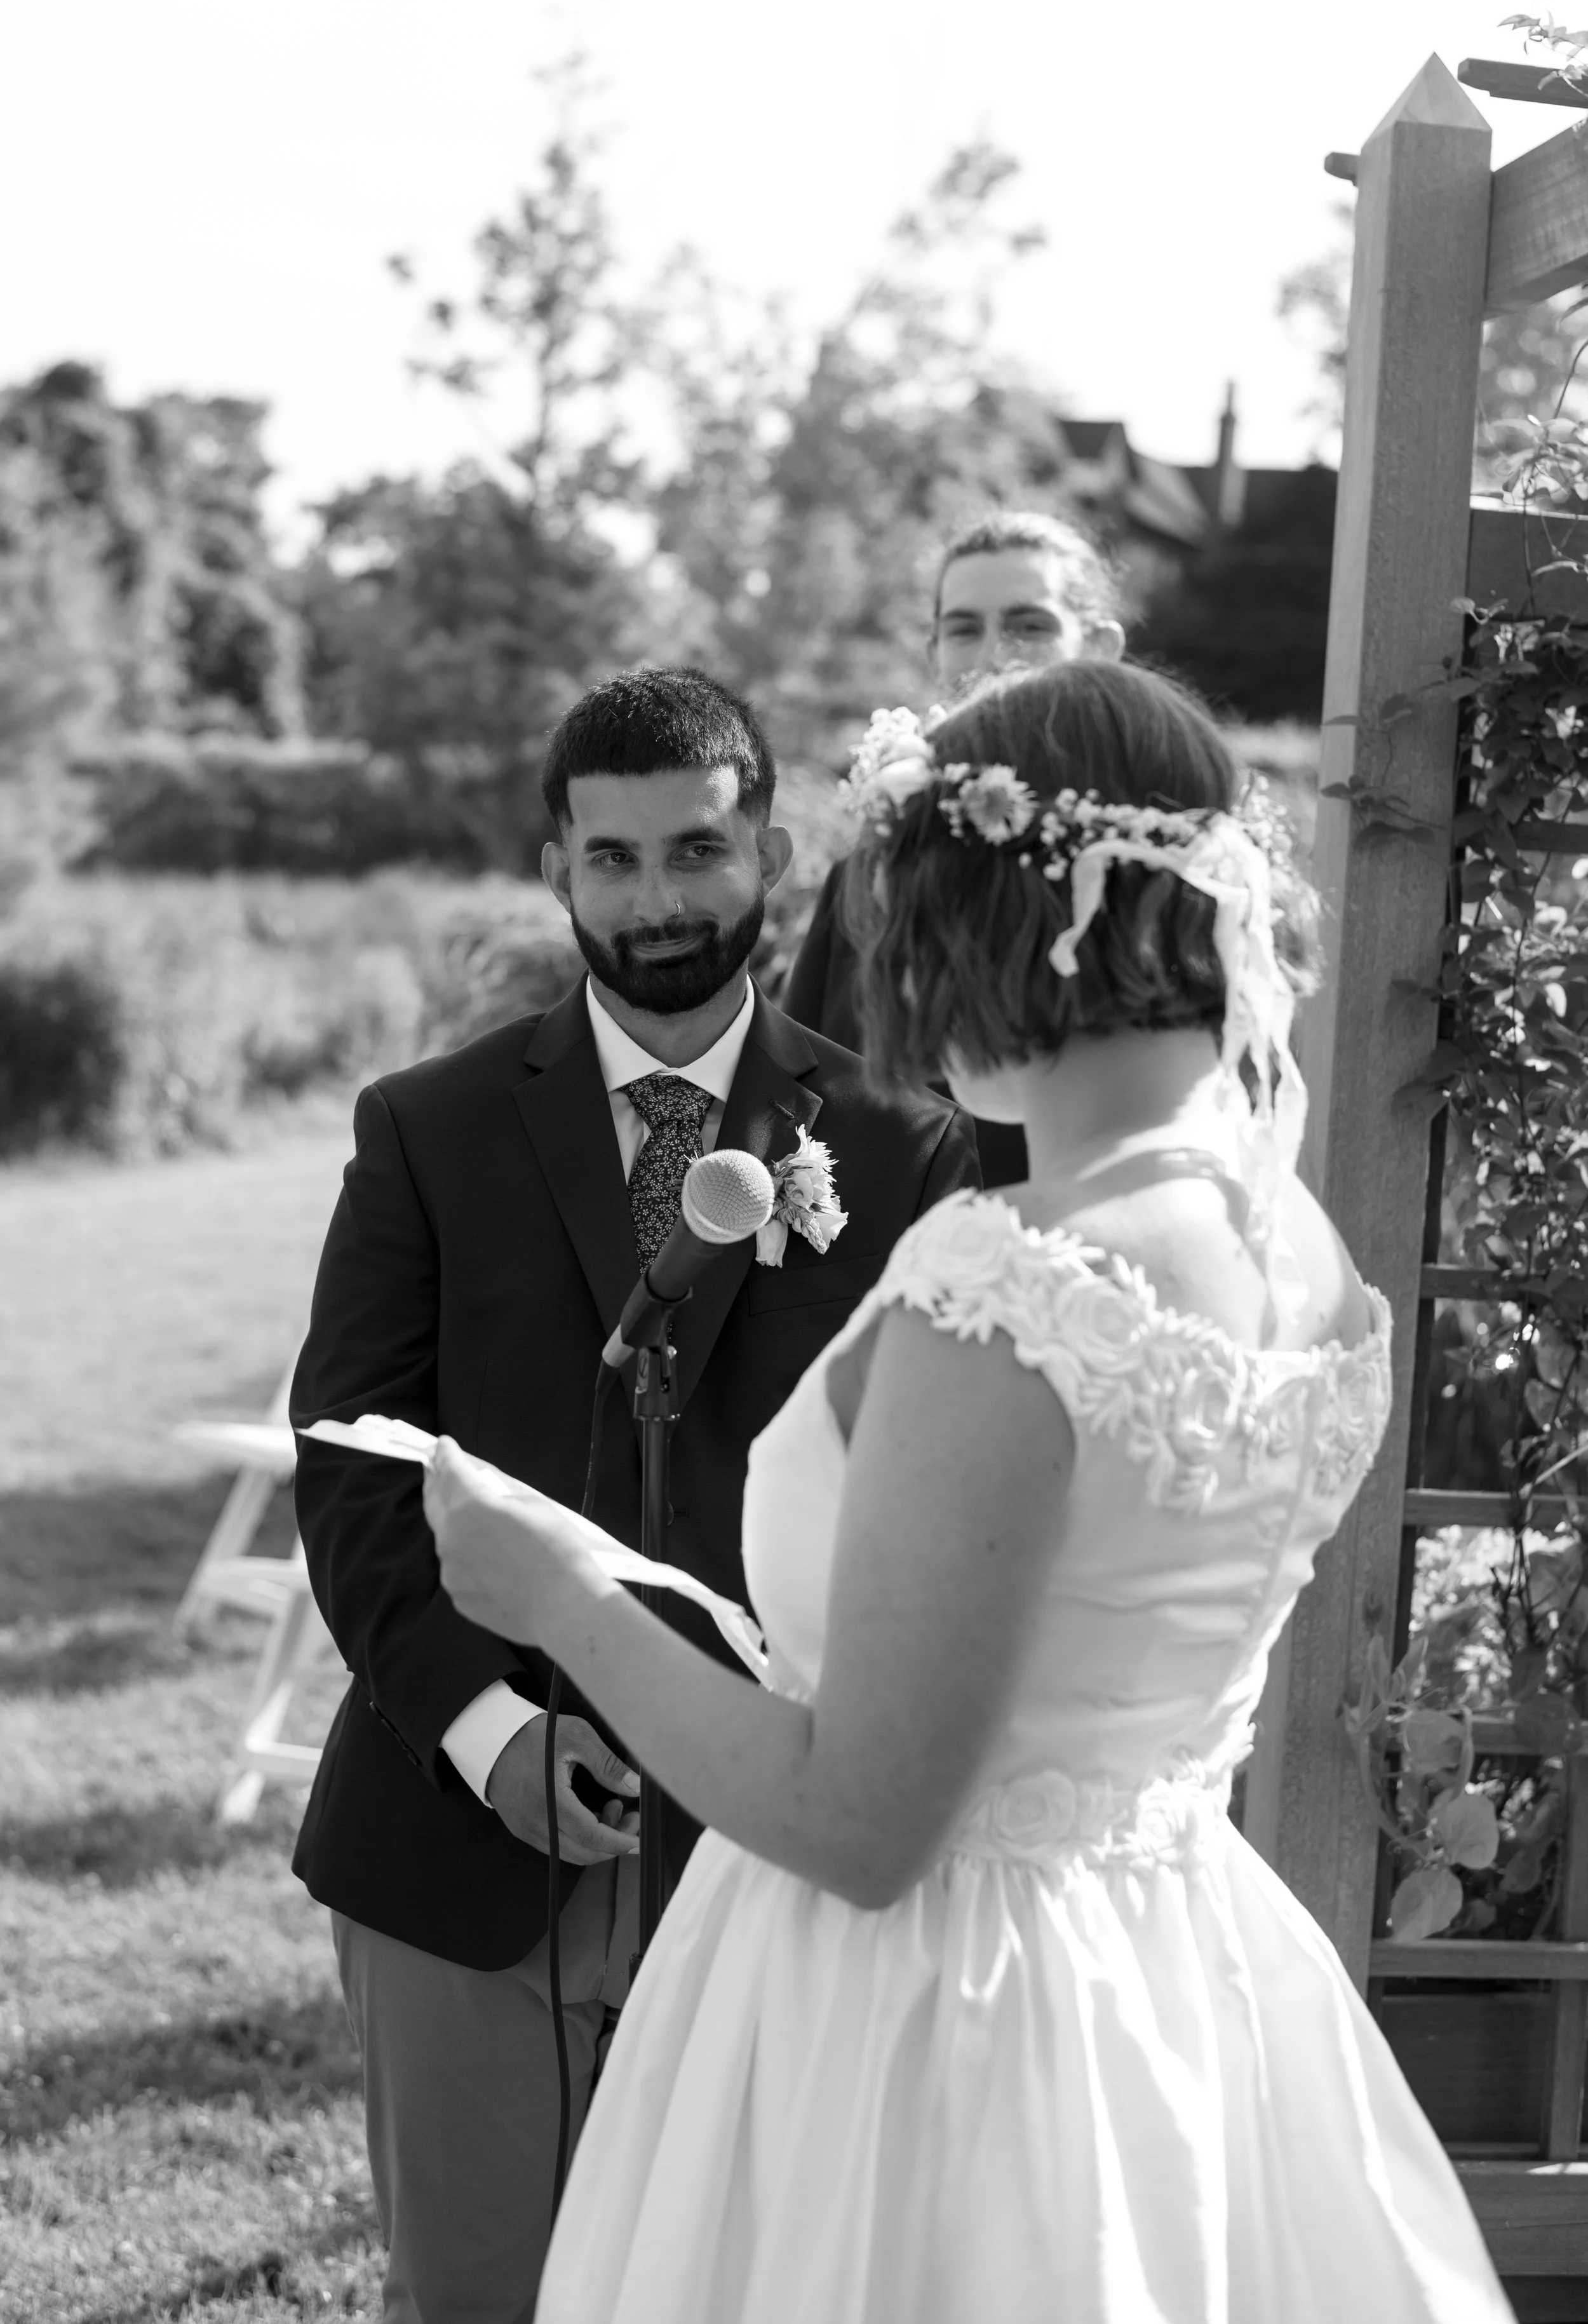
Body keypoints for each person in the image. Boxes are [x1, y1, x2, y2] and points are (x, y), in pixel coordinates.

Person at [426, 658, 1516, 2324]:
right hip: (1172, 1977)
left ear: (981, 921)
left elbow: (859, 1822)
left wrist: (563, 1596)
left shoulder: (1014, 1288)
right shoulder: (1288, 1248)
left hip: (922, 2023)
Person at [288, 665, 979, 2324]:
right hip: (459, 1834)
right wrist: (487, 1733)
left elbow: (934, 1496)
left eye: (695, 850)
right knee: (470, 2295)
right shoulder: (428, 1126)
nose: (655, 899)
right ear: (556, 872)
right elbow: (356, 1459)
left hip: (773, 1843)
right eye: (611, 859)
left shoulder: (904, 1144)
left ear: (774, 853)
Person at [781, 508, 1125, 1188]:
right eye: (964, 628)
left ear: (1099, 648)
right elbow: (800, 1101)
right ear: (933, 651)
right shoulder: (867, 869)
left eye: (1029, 624)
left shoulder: (1152, 868)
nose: (995, 653)